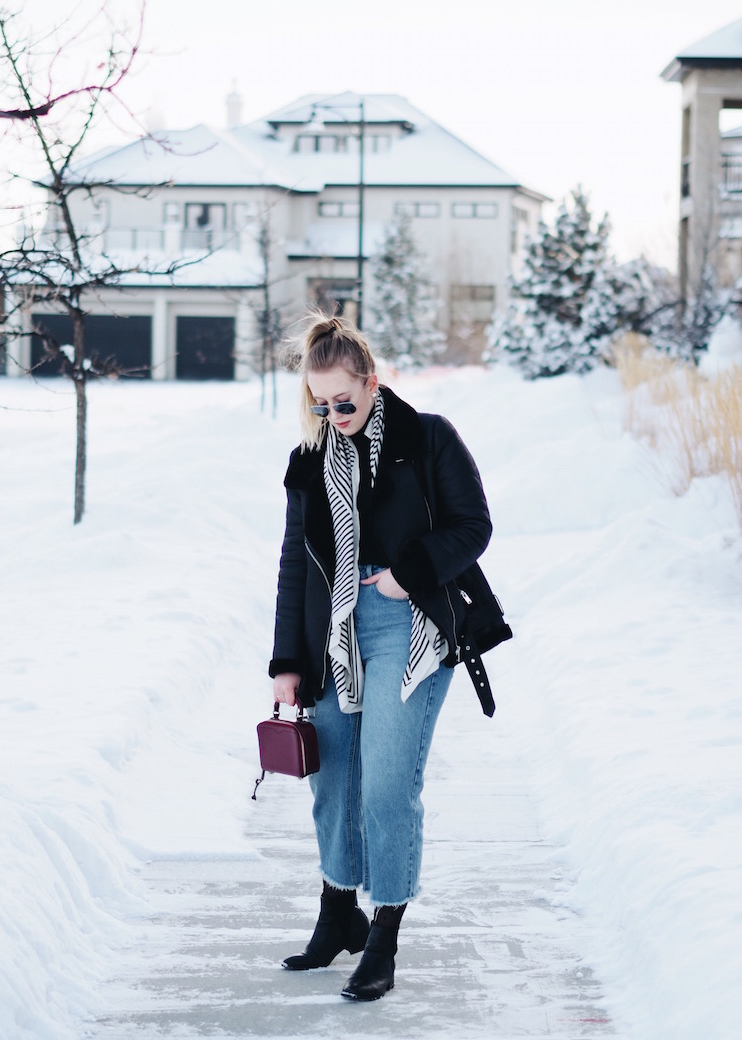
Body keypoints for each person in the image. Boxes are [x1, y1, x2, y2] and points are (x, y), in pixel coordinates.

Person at [269, 313, 493, 1001]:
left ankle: (384, 936)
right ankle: (339, 912)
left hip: (409, 623)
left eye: (344, 401)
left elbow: (473, 526)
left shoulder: (428, 439)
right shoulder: (311, 460)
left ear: (372, 383)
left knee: (389, 786)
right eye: (319, 402)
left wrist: (407, 574)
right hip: (331, 630)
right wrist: (285, 662)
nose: (332, 414)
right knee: (333, 782)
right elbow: (295, 565)